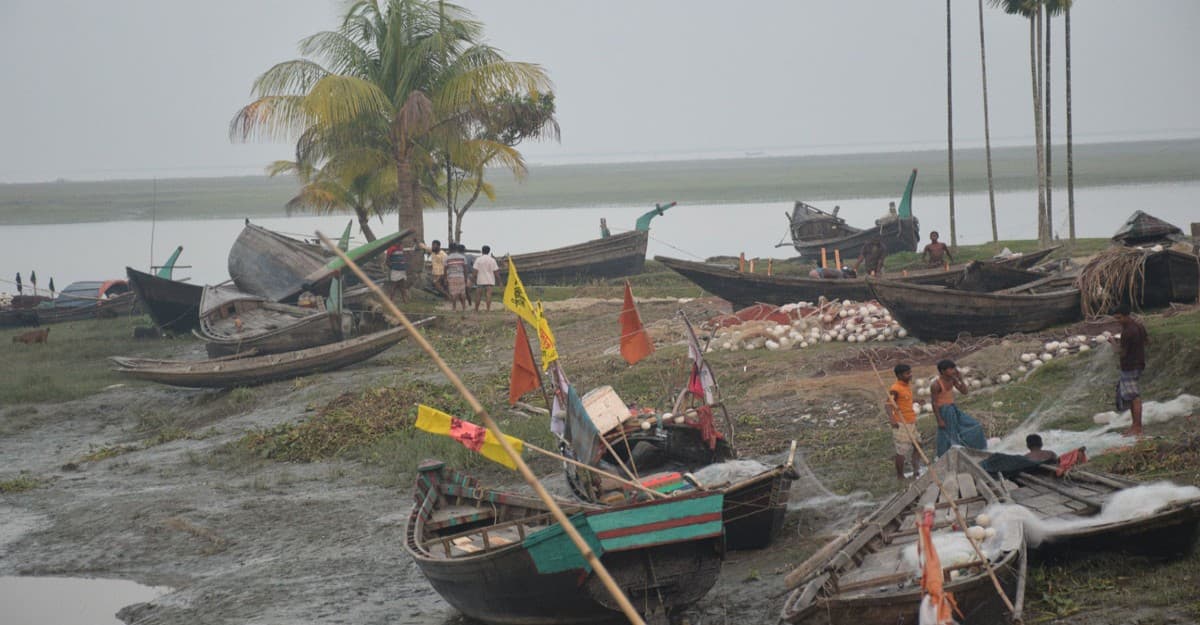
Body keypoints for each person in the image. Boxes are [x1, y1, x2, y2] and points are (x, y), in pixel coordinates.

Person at [930, 359, 987, 457]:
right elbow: (934, 403)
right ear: (943, 371)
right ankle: (947, 455)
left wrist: (960, 379)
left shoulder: (953, 380)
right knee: (949, 435)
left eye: (954, 368)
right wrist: (939, 420)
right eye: (951, 369)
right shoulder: (936, 385)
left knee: (975, 425)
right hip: (944, 411)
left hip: (953, 409)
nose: (954, 371)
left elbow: (965, 392)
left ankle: (973, 449)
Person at [1110, 303, 1149, 437]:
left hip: (1130, 366)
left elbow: (1121, 353)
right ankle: (1134, 426)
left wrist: (1113, 343)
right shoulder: (1138, 326)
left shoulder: (1128, 332)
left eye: (1119, 318)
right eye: (1116, 318)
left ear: (1126, 315)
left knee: (1134, 397)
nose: (1118, 321)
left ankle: (1138, 427)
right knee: (1132, 397)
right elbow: (1146, 341)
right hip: (1138, 364)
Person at [886, 364, 922, 481]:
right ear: (900, 375)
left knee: (918, 445)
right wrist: (892, 419)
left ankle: (916, 470)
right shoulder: (895, 389)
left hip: (911, 422)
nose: (910, 375)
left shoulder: (906, 386)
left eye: (910, 372)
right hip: (901, 424)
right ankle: (900, 476)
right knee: (901, 451)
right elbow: (888, 405)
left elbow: (905, 400)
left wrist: (916, 400)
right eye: (907, 373)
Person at [471, 245, 500, 311]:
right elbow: (496, 272)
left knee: (478, 295)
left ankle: (476, 309)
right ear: (489, 251)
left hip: (480, 280)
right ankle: (488, 309)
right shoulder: (492, 260)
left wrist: (473, 279)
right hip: (489, 281)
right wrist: (499, 281)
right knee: (488, 295)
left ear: (482, 251)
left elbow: (475, 271)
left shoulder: (478, 259)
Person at [444, 243, 469, 311]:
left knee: (453, 293)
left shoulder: (447, 258)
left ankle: (454, 308)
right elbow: (465, 269)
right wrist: (466, 279)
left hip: (451, 277)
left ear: (449, 249)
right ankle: (464, 308)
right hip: (461, 276)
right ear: (456, 248)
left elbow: (445, 270)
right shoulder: (462, 257)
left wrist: (445, 279)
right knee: (462, 293)